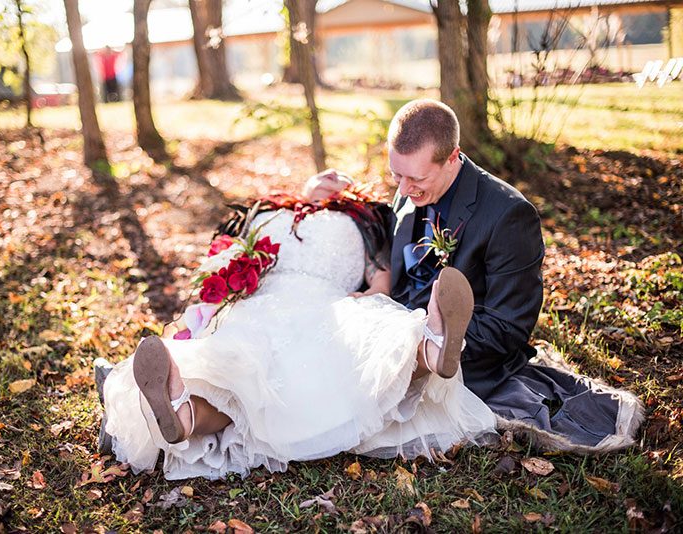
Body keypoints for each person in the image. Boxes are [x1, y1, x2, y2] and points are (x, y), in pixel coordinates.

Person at [97, 173, 497, 480]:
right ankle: (183, 416)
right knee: (237, 368)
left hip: (331, 307)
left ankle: (431, 346)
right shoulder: (267, 213)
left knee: (367, 337)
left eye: (342, 175)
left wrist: (373, 292)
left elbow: (381, 272)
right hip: (261, 304)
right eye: (324, 170)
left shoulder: (360, 222)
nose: (332, 174)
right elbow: (228, 257)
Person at [380, 98, 643, 452]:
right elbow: (395, 243)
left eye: (415, 178)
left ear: (453, 157)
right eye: (396, 175)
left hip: (463, 359)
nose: (402, 189)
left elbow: (508, 327)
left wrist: (423, 343)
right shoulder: (412, 187)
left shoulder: (508, 216)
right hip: (394, 324)